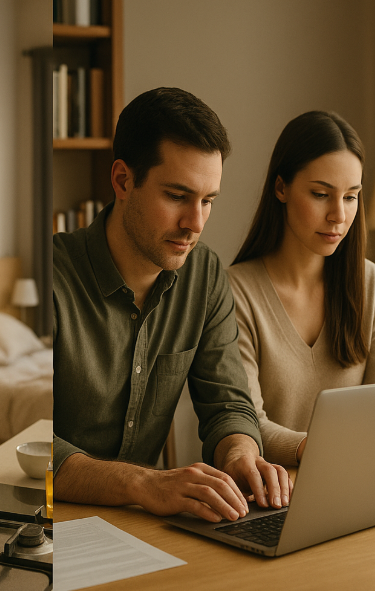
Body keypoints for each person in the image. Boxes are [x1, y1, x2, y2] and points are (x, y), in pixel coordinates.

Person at [53, 87, 292, 525]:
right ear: (123, 181)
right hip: (54, 520)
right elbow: (34, 446)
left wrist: (240, 452)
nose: (195, 224)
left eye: (207, 201)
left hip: (143, 523)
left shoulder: (204, 275)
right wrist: (142, 483)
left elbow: (227, 404)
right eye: (178, 196)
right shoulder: (54, 274)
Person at [229, 111, 371, 467]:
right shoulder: (236, 292)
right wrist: (319, 449)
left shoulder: (370, 284)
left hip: (354, 485)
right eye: (321, 194)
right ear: (281, 188)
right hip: (267, 494)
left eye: (351, 197)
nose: (339, 215)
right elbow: (246, 423)